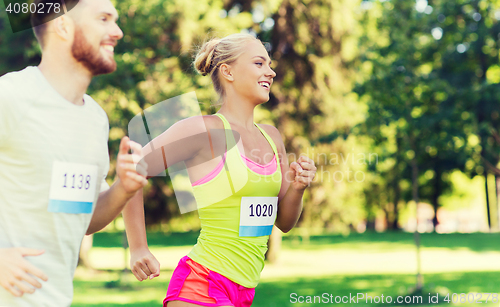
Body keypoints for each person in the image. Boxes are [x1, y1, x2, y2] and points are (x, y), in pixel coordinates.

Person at [123, 33, 317, 307]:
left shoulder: (271, 137)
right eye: (259, 63)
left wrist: (298, 188)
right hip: (202, 282)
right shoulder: (204, 130)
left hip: (244, 291)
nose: (271, 72)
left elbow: (284, 222)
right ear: (228, 72)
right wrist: (138, 247)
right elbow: (132, 169)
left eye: (270, 64)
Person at [0, 0, 148, 306]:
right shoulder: (11, 96)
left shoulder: (95, 119)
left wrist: (124, 188)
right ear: (63, 26)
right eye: (104, 19)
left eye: (115, 20)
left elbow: (86, 218)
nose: (117, 32)